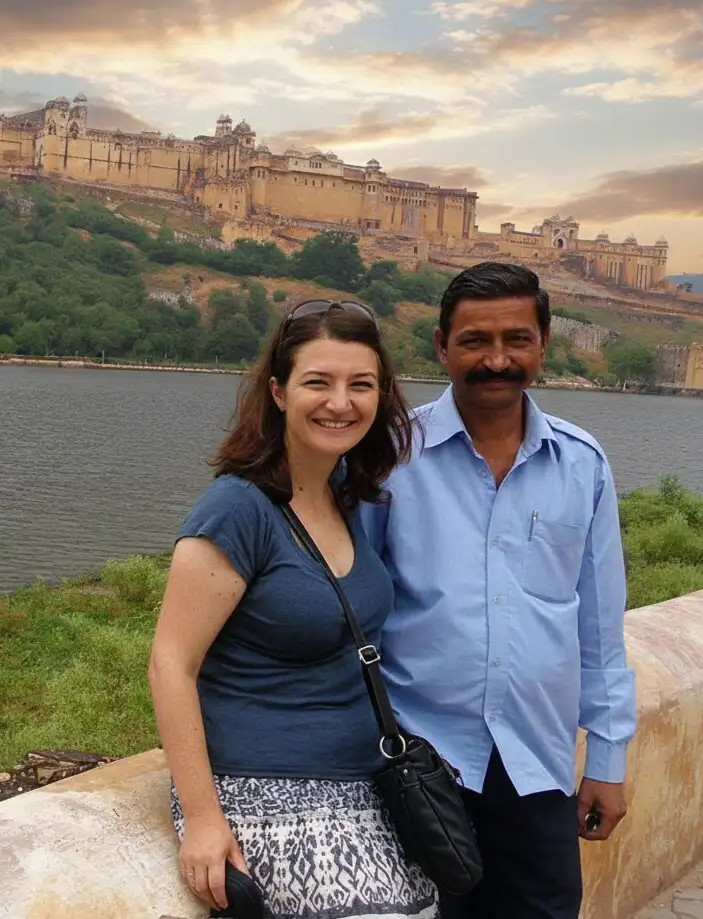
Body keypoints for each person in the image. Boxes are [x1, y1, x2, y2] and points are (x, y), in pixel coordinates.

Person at [360, 262, 637, 919]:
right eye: (474, 341)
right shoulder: (388, 456)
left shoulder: (580, 464)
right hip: (417, 765)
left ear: (542, 345)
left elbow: (598, 630)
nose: (495, 359)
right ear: (440, 346)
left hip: (534, 765)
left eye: (515, 339)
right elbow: (358, 614)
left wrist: (606, 757)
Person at [148, 299, 438, 919]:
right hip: (262, 789)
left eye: (361, 384)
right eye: (318, 382)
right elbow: (171, 663)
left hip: (365, 784)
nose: (341, 402)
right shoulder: (237, 509)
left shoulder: (345, 497)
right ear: (278, 393)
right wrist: (202, 819)